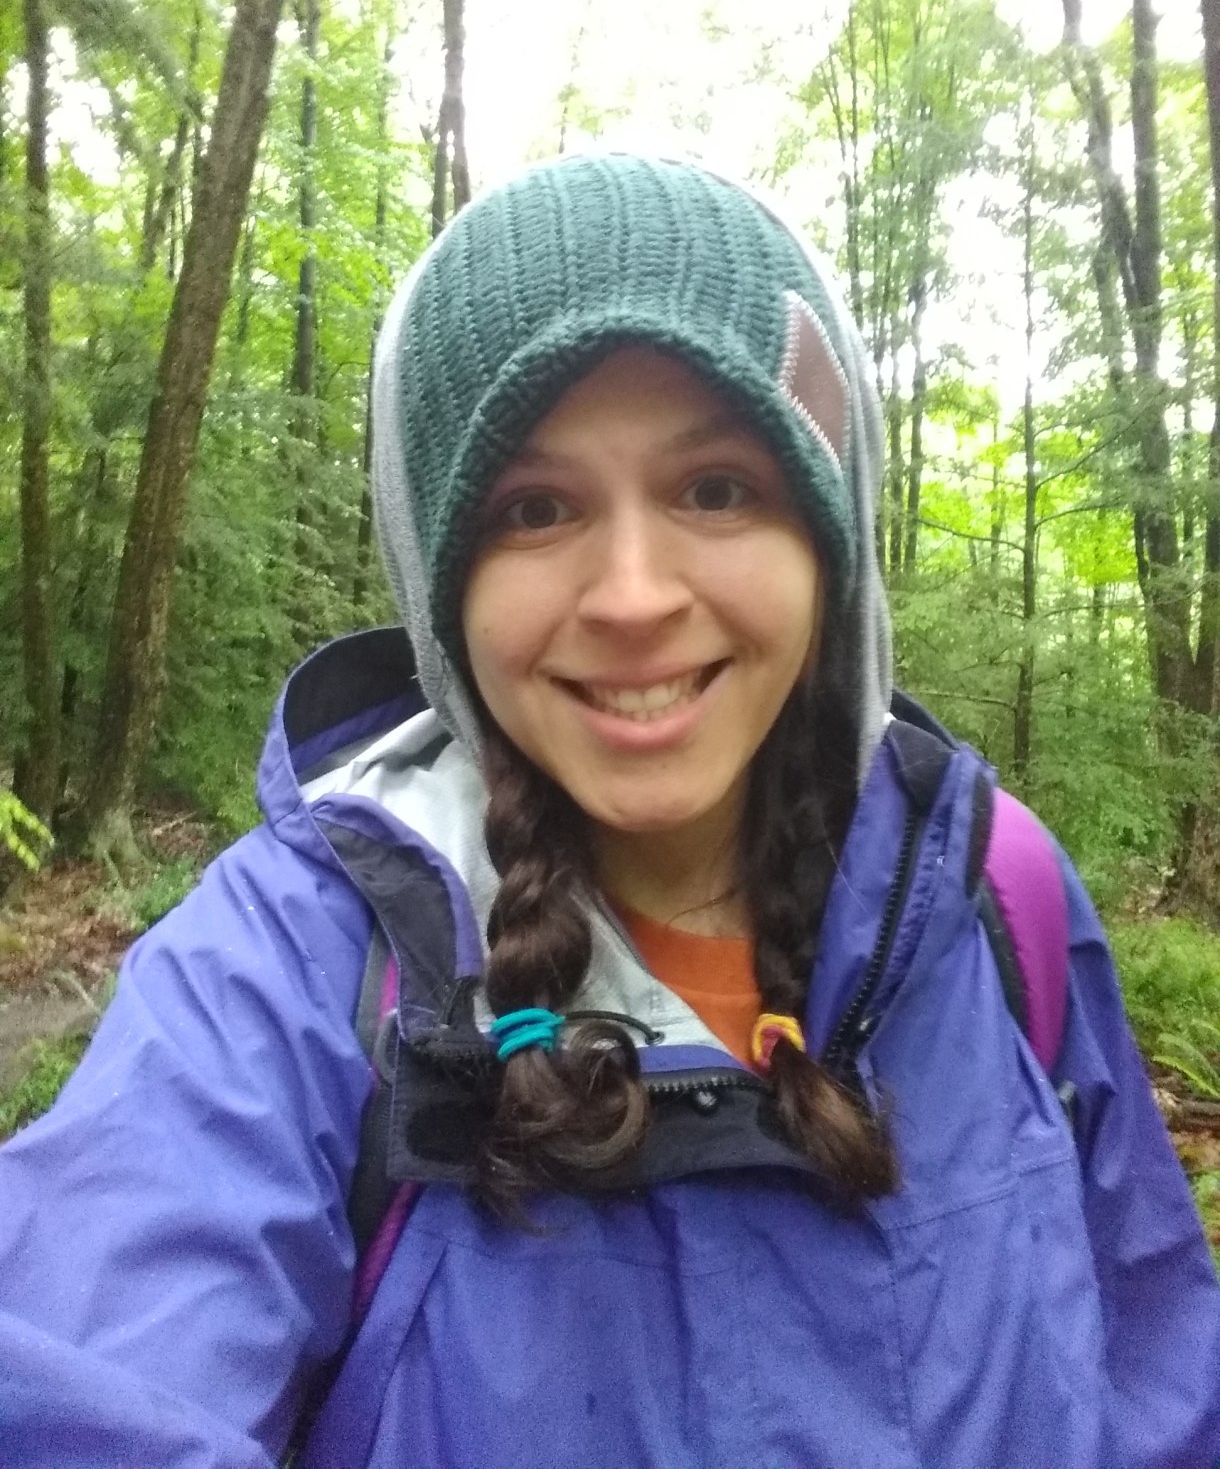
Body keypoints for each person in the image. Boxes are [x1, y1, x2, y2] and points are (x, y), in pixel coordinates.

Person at [1, 153, 1218, 1469]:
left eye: (716, 489)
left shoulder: (994, 898)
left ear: (831, 545)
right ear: (442, 589)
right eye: (535, 509)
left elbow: (1157, 1384)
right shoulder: (293, 968)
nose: (634, 595)